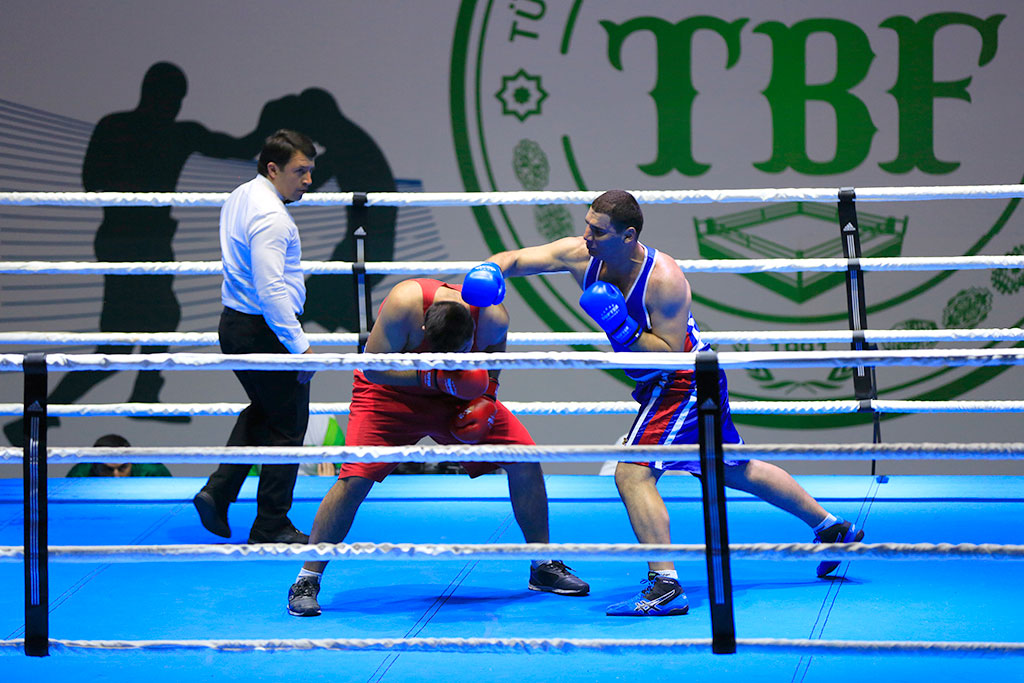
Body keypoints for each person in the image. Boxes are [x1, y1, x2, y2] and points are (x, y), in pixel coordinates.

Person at [460, 189, 865, 617]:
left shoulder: (664, 278)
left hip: (682, 381)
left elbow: (668, 354)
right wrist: (490, 269)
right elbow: (520, 259)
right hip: (673, 383)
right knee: (731, 467)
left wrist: (620, 324)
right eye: (587, 225)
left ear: (628, 235)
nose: (586, 236)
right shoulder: (581, 255)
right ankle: (832, 528)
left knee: (633, 473)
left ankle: (665, 585)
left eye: (597, 231)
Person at [286, 277, 589, 617]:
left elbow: (493, 364)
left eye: (456, 355)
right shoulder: (404, 304)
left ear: (471, 338)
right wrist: (429, 376)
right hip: (390, 395)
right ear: (422, 331)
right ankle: (307, 579)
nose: (447, 361)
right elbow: (372, 369)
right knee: (355, 477)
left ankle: (543, 565)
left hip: (457, 396)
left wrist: (486, 398)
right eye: (438, 356)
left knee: (525, 458)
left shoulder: (492, 318)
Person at [4, 62, 266, 447]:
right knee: (120, 341)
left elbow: (237, 148)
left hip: (142, 239)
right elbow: (94, 182)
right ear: (155, 93)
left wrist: (269, 125)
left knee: (150, 323)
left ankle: (123, 395)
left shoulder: (158, 131)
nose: (173, 104)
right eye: (170, 96)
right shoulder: (143, 130)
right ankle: (46, 410)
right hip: (127, 240)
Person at [192, 130, 318, 545]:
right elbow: (271, 290)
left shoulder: (242, 194)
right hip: (264, 330)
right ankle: (270, 525)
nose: (307, 180)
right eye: (300, 171)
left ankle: (218, 491)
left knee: (265, 412)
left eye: (310, 171)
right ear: (273, 168)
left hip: (236, 324)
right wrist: (300, 347)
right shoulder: (272, 218)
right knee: (288, 423)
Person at [67, 434, 171, 477]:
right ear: (95, 465)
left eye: (122, 468)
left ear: (131, 461)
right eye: (107, 469)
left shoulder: (152, 470)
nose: (116, 476)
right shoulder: (80, 474)